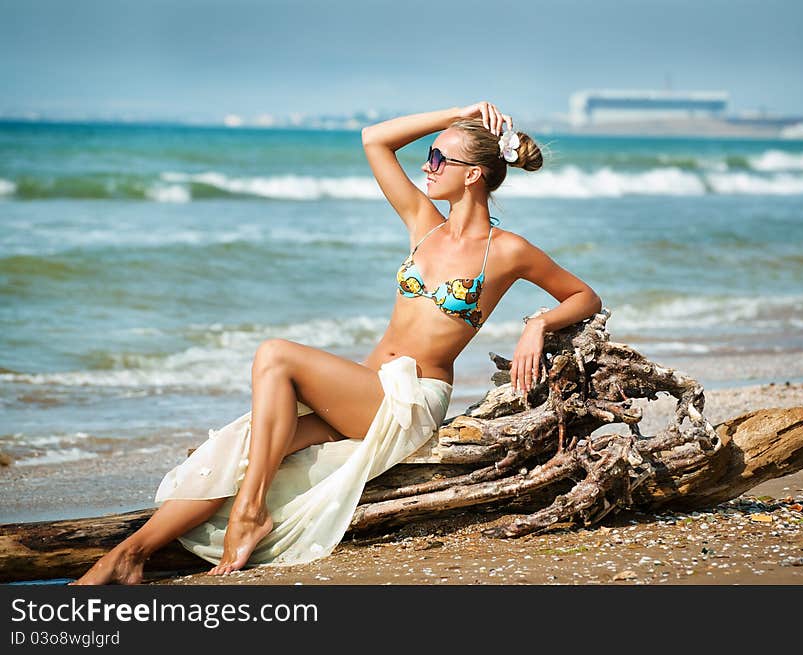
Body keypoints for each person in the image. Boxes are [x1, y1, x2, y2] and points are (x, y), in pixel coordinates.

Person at [71, 101, 602, 584]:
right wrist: (455, 113)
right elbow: (375, 139)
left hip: (411, 399)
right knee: (251, 447)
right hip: (368, 388)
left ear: (475, 175)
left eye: (440, 159)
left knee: (275, 355)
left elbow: (584, 296)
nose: (428, 165)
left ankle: (249, 513)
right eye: (430, 155)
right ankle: (129, 554)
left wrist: (537, 324)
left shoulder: (507, 250)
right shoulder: (423, 223)